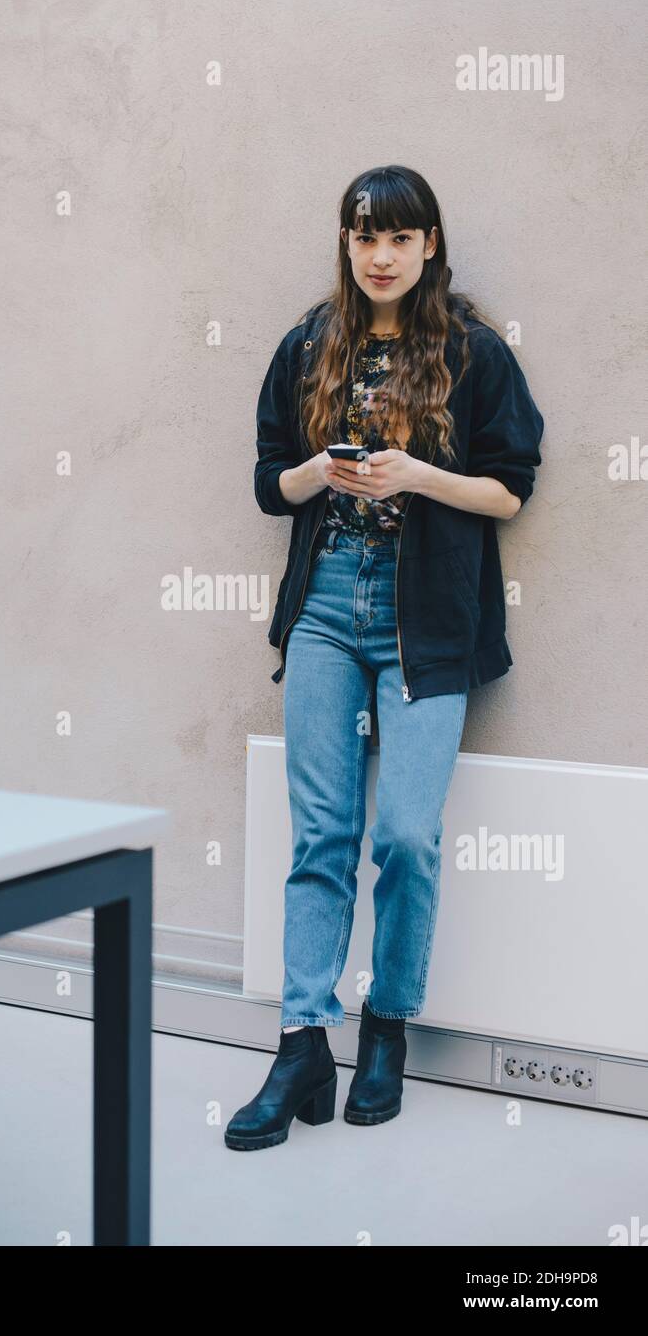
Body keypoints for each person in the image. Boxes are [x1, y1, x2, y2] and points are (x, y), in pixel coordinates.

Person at [225, 164, 544, 1151]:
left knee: (404, 834)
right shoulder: (308, 346)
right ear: (347, 244)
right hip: (325, 605)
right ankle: (299, 1044)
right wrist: (319, 469)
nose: (381, 254)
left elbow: (513, 490)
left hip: (427, 618)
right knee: (320, 833)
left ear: (430, 245)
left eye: (400, 237)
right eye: (366, 236)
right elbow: (267, 485)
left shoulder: (475, 355)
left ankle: (387, 1030)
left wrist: (422, 475)